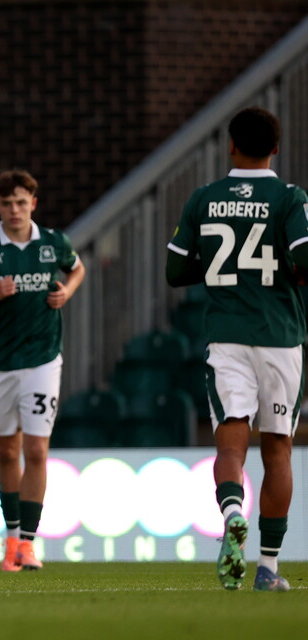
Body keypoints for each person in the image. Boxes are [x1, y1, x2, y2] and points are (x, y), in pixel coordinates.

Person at [166, 106, 308, 592]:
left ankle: (231, 513)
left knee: (230, 444)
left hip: (226, 337)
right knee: (278, 451)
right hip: (280, 338)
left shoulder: (205, 198)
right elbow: (305, 258)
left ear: (230, 145)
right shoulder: (290, 198)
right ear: (276, 148)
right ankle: (268, 569)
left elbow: (175, 271)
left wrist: (217, 265)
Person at [0, 169, 85, 572]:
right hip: (0, 362)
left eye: (21, 202)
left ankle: (27, 543)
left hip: (43, 358)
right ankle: (10, 542)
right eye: (7, 203)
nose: (14, 210)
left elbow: (77, 269)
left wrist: (66, 291)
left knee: (37, 450)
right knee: (8, 451)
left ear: (33, 204)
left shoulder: (53, 242)